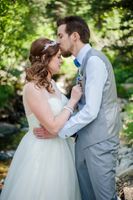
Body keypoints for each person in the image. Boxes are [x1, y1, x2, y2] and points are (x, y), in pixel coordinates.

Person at [34, 16, 122, 200]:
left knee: (104, 197)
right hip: (83, 142)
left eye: (60, 36)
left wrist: (58, 131)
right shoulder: (83, 64)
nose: (57, 41)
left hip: (100, 144)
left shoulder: (94, 62)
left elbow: (91, 110)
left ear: (74, 36)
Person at [0, 38, 82, 200]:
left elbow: (60, 123)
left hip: (61, 148)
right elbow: (52, 126)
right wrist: (72, 101)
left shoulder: (52, 84)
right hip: (41, 151)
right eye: (58, 57)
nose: (61, 60)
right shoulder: (32, 88)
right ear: (45, 58)